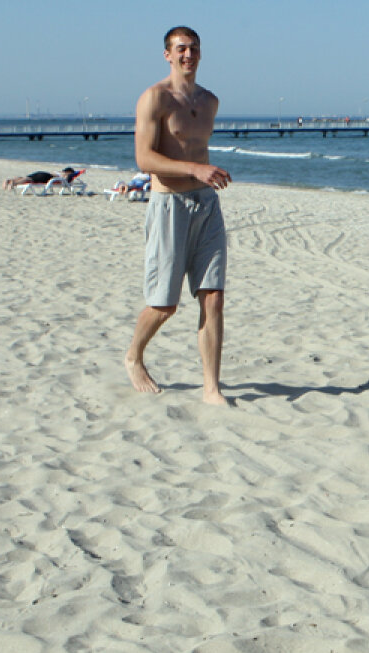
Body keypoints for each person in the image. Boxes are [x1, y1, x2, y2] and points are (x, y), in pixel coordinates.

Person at [124, 25, 231, 406]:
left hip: (207, 204)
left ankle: (211, 389)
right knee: (164, 304)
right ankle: (134, 355)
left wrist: (206, 174)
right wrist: (194, 169)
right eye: (181, 49)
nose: (189, 55)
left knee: (213, 297)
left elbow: (198, 150)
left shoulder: (210, 101)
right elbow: (144, 158)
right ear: (167, 55)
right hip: (168, 205)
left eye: (194, 49)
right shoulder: (155, 98)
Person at [2, 167, 78, 191]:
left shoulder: (57, 171)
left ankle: (10, 180)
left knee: (26, 177)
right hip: (46, 177)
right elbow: (66, 180)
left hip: (43, 173)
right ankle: (14, 183)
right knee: (30, 180)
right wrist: (71, 176)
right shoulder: (64, 174)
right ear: (69, 171)